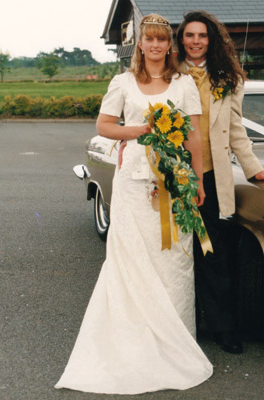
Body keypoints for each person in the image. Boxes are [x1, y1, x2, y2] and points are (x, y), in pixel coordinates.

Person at [55, 14, 212, 394]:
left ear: (169, 46)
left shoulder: (183, 82)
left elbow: (193, 133)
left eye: (162, 40)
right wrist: (139, 131)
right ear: (139, 45)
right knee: (130, 259)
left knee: (173, 259)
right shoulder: (122, 82)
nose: (156, 46)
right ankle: (130, 341)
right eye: (150, 40)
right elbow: (104, 126)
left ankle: (173, 342)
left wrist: (199, 179)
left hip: (174, 183)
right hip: (133, 182)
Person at [176, 10, 264, 354]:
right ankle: (176, 327)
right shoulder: (168, 73)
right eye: (189, 35)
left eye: (202, 36)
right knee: (171, 253)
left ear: (212, 40)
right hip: (168, 175)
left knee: (212, 254)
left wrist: (253, 169)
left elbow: (236, 129)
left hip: (208, 177)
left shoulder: (229, 79)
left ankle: (223, 328)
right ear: (181, 39)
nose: (195, 42)